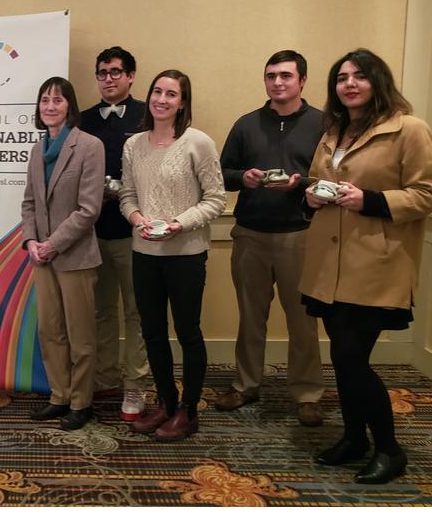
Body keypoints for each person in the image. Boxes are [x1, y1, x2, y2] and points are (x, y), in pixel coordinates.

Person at [301, 48, 432, 484]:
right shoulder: (335, 129)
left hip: (375, 264)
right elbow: (320, 179)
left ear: (379, 81)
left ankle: (390, 450)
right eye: (342, 77)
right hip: (329, 263)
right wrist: (311, 196)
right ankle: (355, 438)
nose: (349, 84)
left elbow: (425, 195)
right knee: (342, 359)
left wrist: (371, 201)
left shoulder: (409, 129)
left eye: (359, 76)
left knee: (352, 358)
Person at [216, 50, 325, 426]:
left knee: (302, 320)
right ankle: (246, 384)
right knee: (250, 317)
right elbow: (222, 172)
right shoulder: (247, 124)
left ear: (302, 81)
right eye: (271, 76)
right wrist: (241, 177)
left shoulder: (324, 124)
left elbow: (332, 177)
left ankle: (308, 393)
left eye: (286, 76)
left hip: (300, 233)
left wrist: (303, 184)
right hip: (250, 234)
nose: (277, 82)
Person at [119, 70, 225, 440]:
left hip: (186, 253)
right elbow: (127, 194)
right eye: (157, 92)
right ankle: (165, 401)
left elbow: (216, 199)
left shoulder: (199, 143)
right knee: (152, 333)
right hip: (144, 251)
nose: (161, 99)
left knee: (188, 332)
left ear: (182, 102)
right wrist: (135, 217)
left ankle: (189, 410)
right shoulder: (134, 144)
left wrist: (178, 223)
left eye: (171, 94)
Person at [22, 77, 105, 431]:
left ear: (70, 105)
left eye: (57, 100)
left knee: (80, 334)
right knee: (50, 330)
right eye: (44, 100)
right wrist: (30, 243)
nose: (50, 106)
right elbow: (28, 203)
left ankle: (81, 402)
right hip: (41, 256)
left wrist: (52, 243)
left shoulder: (89, 146)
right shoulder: (37, 149)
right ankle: (59, 395)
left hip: (74, 256)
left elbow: (88, 210)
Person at [79, 45, 149, 422]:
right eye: (102, 72)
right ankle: (104, 375)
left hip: (134, 231)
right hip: (91, 231)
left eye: (116, 72)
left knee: (136, 311)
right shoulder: (83, 119)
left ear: (131, 76)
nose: (108, 79)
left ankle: (135, 382)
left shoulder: (146, 115)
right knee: (101, 310)